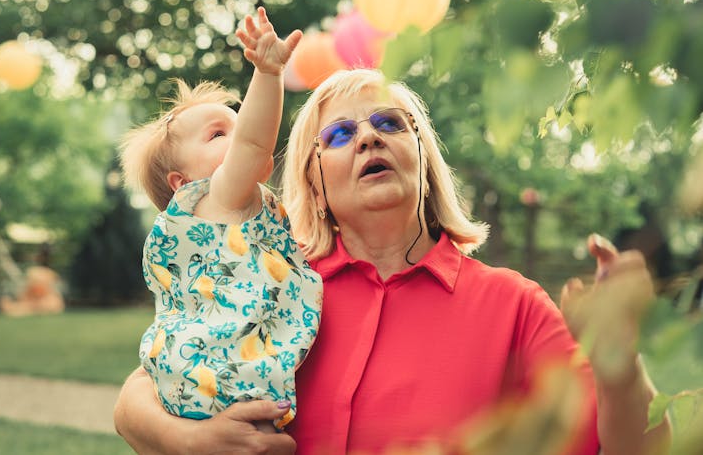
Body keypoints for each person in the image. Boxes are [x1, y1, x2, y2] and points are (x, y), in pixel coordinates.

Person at [114, 68, 671, 454]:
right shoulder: (277, 284)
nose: (367, 139)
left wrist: (620, 363)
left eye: (389, 124)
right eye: (339, 134)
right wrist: (190, 442)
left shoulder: (512, 304)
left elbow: (634, 447)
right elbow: (139, 393)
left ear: (422, 157)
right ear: (314, 178)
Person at [118, 7, 322, 432]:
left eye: (236, 125)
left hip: (198, 378)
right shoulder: (215, 195)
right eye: (217, 134)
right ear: (183, 182)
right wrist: (268, 73)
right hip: (231, 382)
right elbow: (252, 142)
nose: (239, 134)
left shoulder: (219, 222)